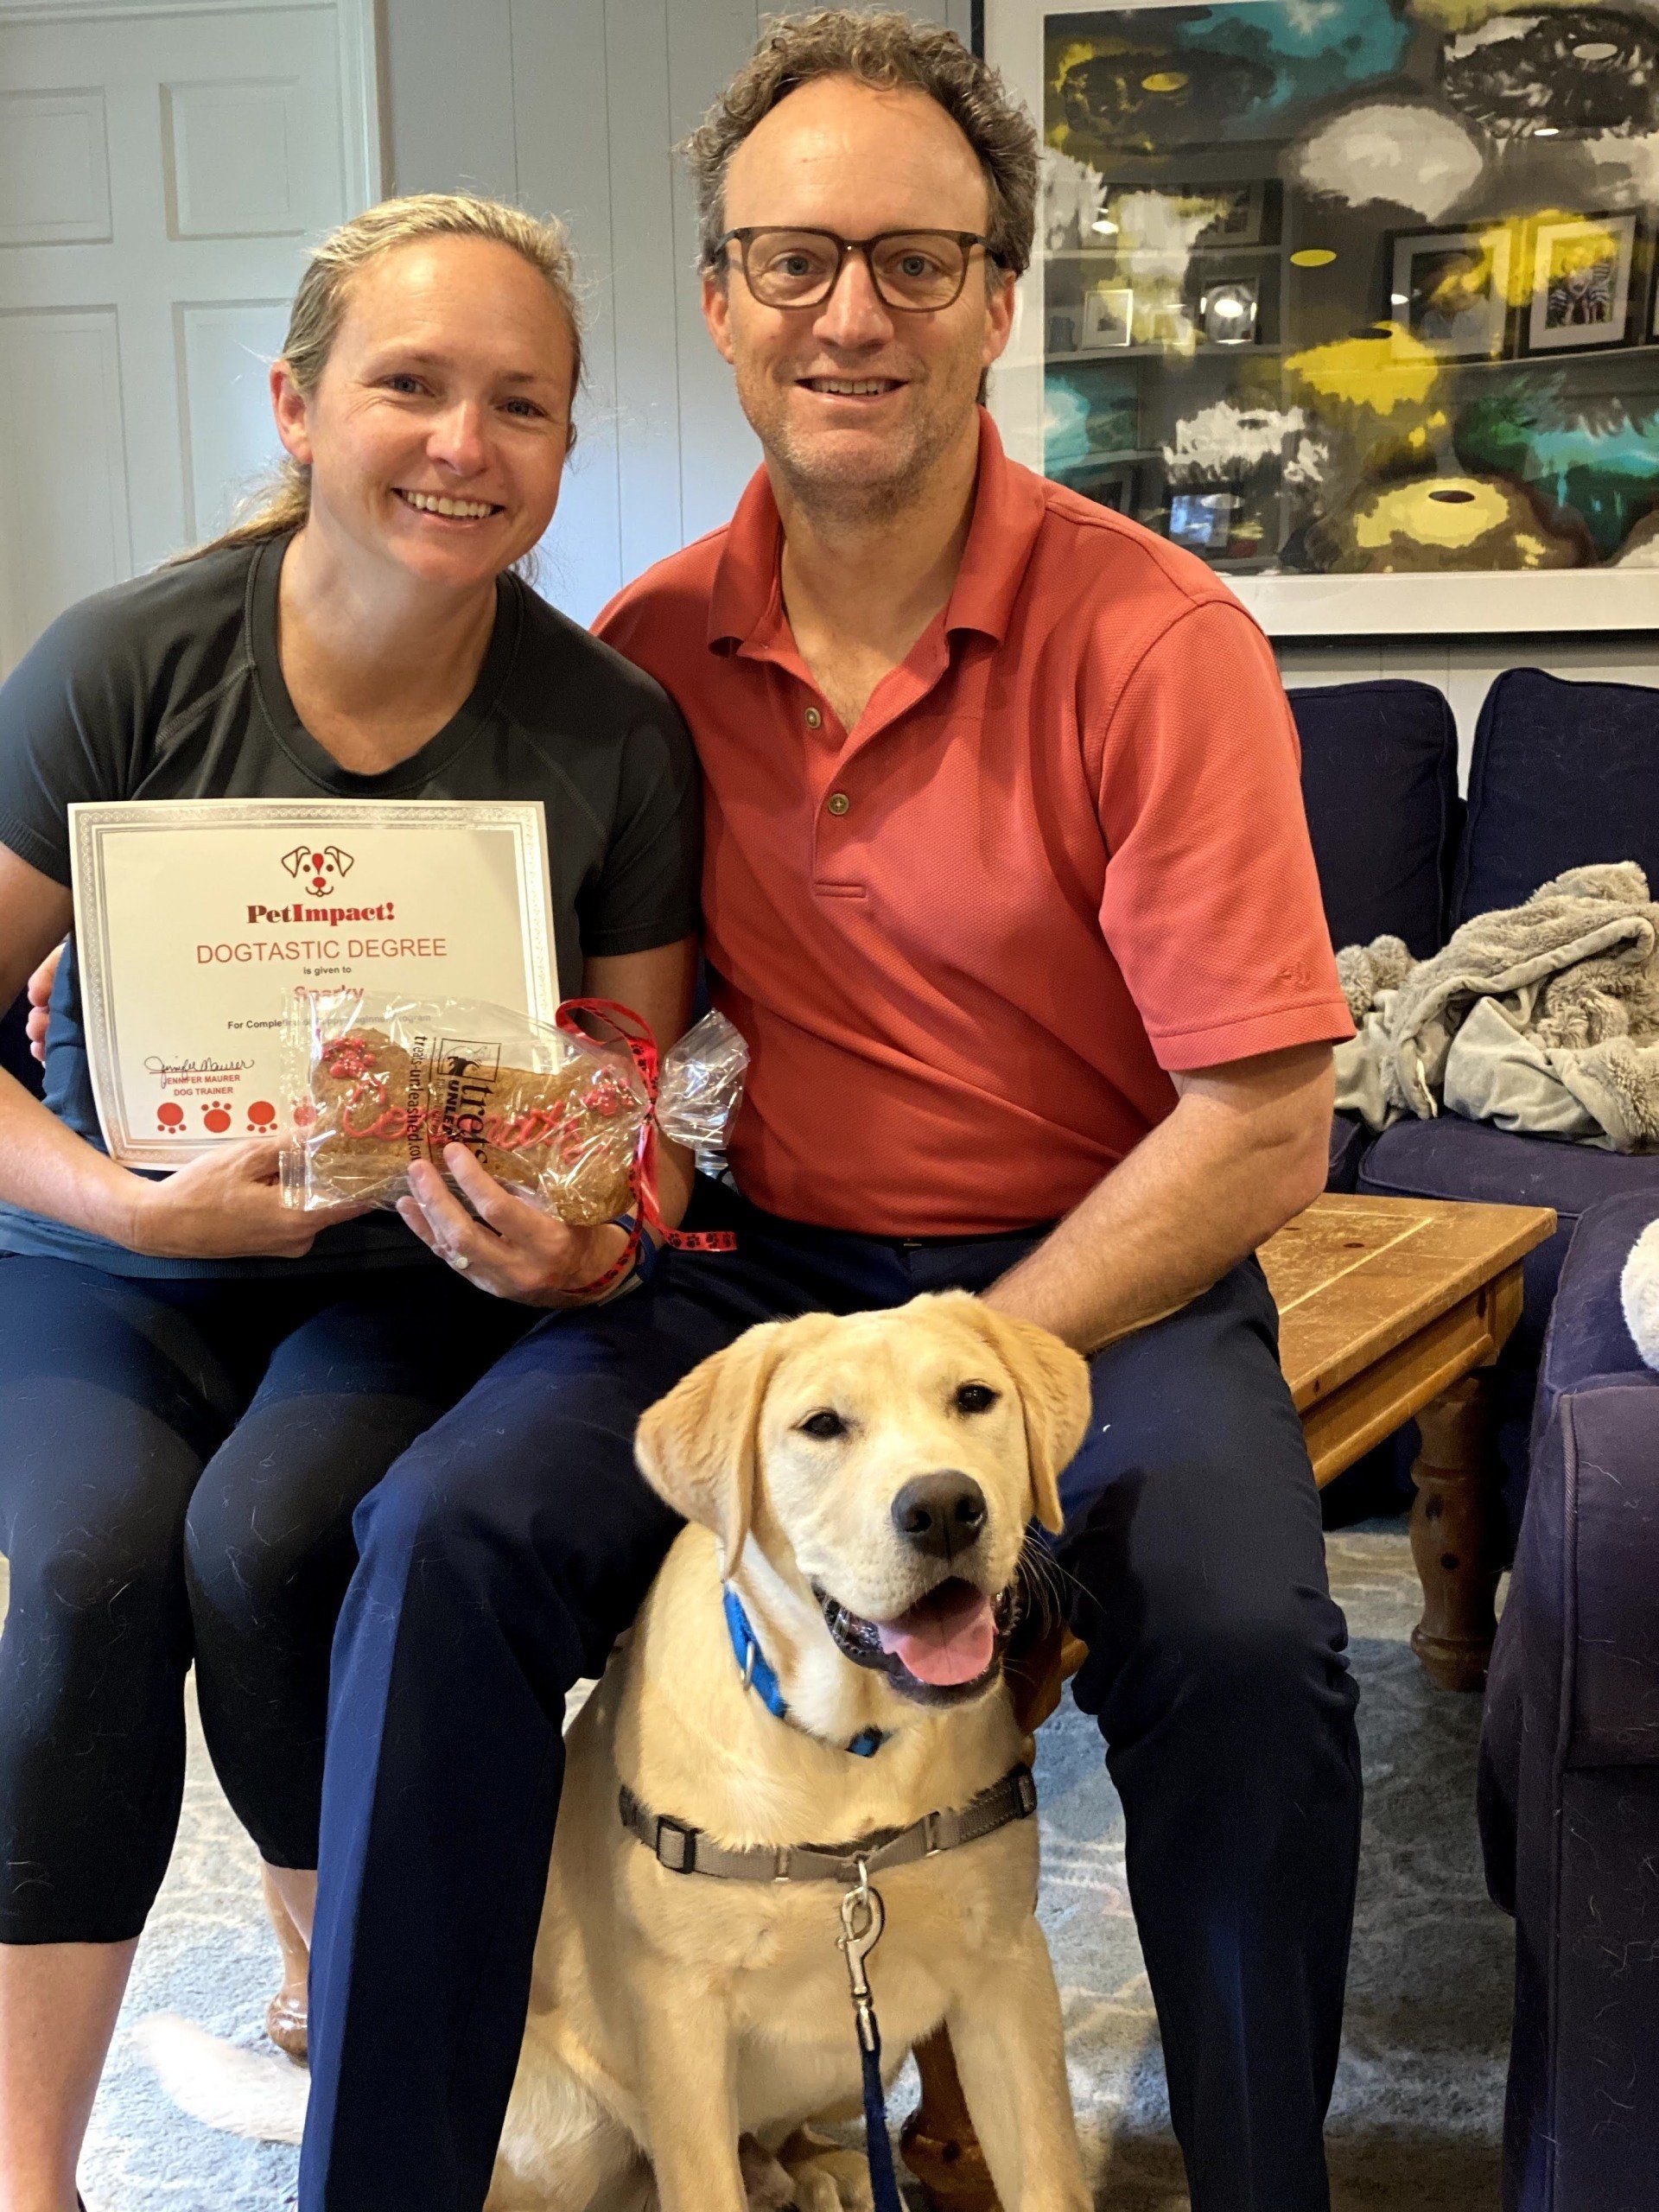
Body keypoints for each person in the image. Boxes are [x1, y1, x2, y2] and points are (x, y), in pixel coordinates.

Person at [301, 19, 1362, 2212]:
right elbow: (512, 983)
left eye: (911, 257)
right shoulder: (640, 648)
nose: (849, 313)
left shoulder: (1158, 646)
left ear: (998, 297)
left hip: (1100, 1270)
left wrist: (979, 1382)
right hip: (748, 1284)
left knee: (1250, 1638)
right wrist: (143, 969)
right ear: (718, 299)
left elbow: (1261, 1119)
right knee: (443, 1541)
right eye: (791, 258)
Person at [0, 194, 699, 2212]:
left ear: (569, 445)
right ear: (302, 404)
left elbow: (640, 1114)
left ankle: (349, 2042)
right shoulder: (124, 663)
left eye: (523, 404)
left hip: (409, 1265)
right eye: (410, 384)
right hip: (107, 1241)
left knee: (283, 1530)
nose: (464, 443)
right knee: (93, 1567)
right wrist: (126, 1211)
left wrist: (585, 1233)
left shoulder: (608, 731)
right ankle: (30, 2169)